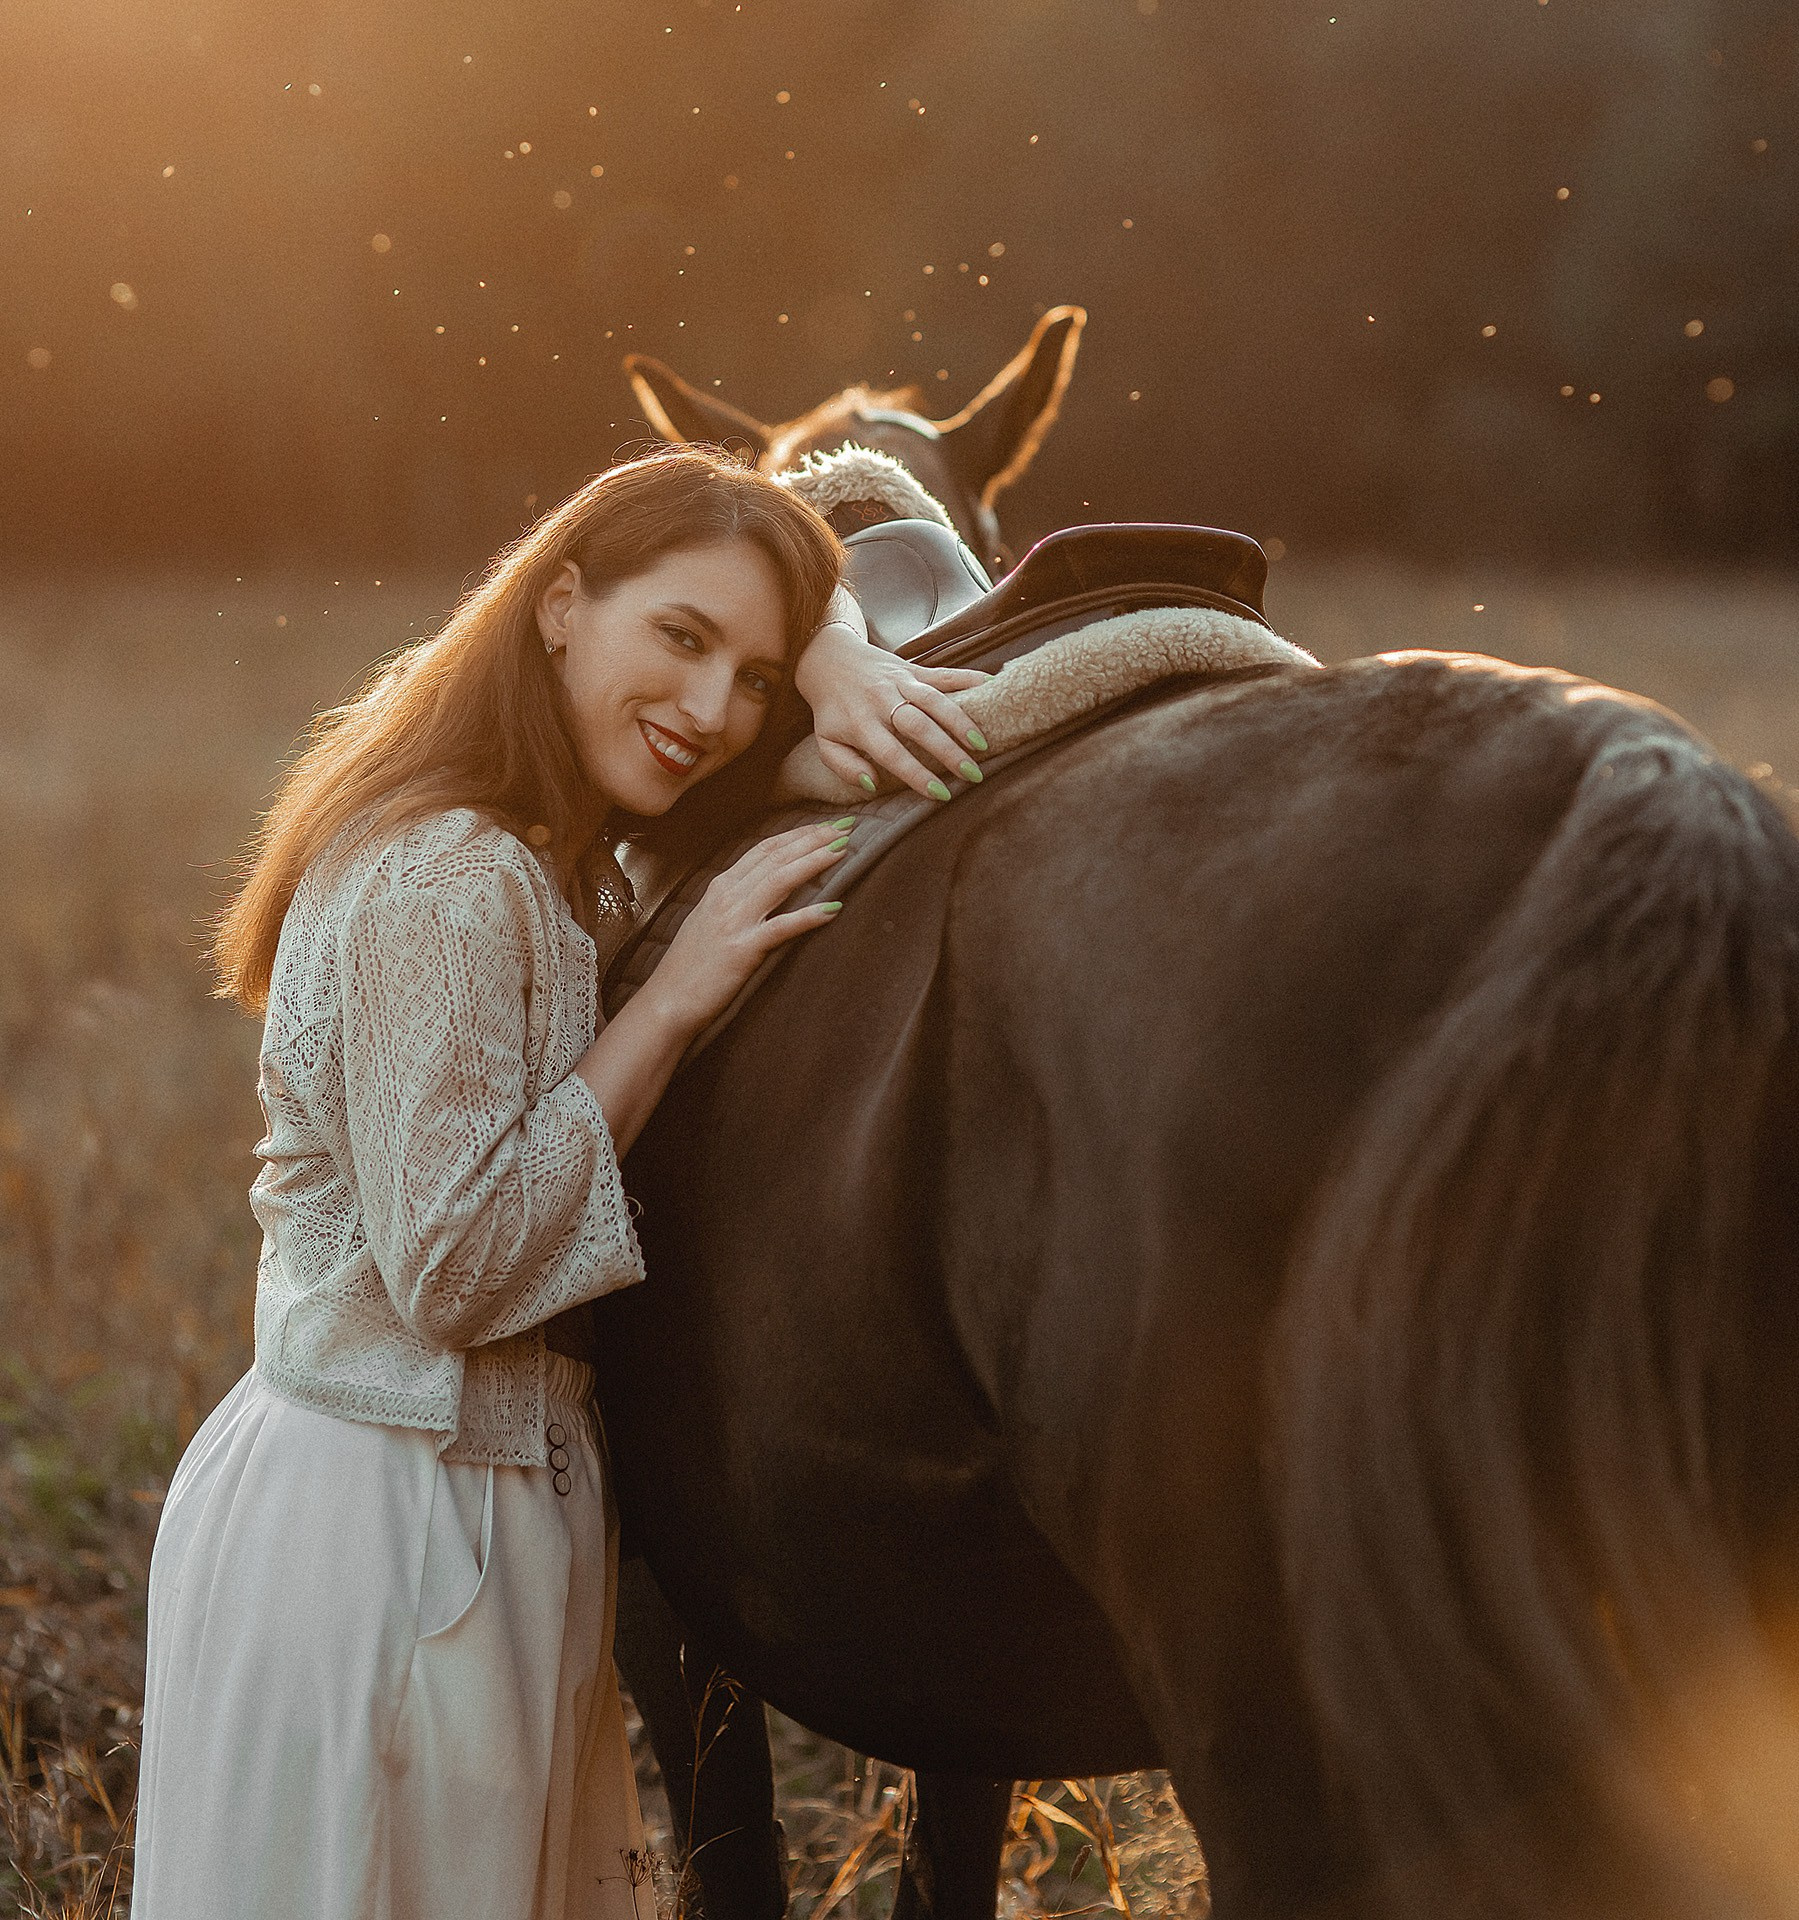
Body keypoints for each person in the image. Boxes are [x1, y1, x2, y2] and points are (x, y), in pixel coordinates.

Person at [131, 446, 989, 1920]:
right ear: (558, 607)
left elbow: (843, 475)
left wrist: (837, 662)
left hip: (445, 1515)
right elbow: (454, 1266)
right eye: (680, 637)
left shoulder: (532, 852)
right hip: (394, 1536)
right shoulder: (450, 879)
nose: (713, 711)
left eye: (753, 676)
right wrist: (675, 1000)